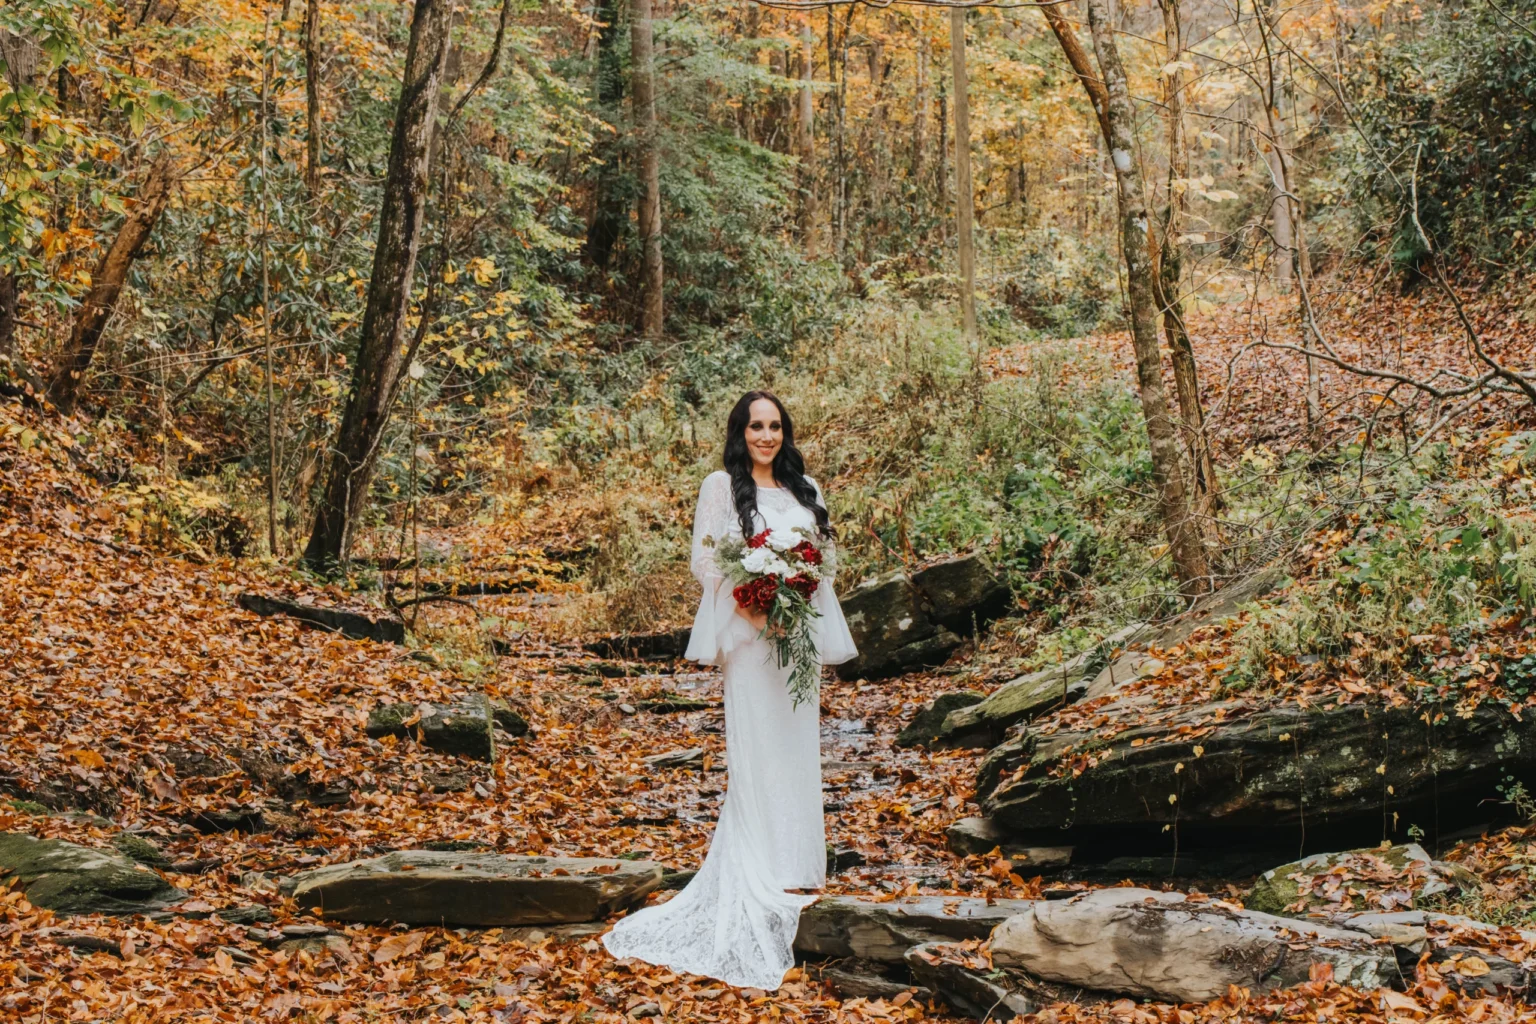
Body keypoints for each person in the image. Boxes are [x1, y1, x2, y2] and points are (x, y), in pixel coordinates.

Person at [601, 390, 858, 990]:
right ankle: (758, 868)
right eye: (754, 426)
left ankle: (796, 866)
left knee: (797, 749)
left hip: (795, 642)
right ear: (739, 432)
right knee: (756, 748)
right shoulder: (721, 485)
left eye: (774, 426)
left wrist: (796, 599)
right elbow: (709, 562)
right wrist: (759, 610)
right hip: (750, 639)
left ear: (785, 431)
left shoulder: (806, 488)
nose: (765, 436)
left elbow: (824, 561)